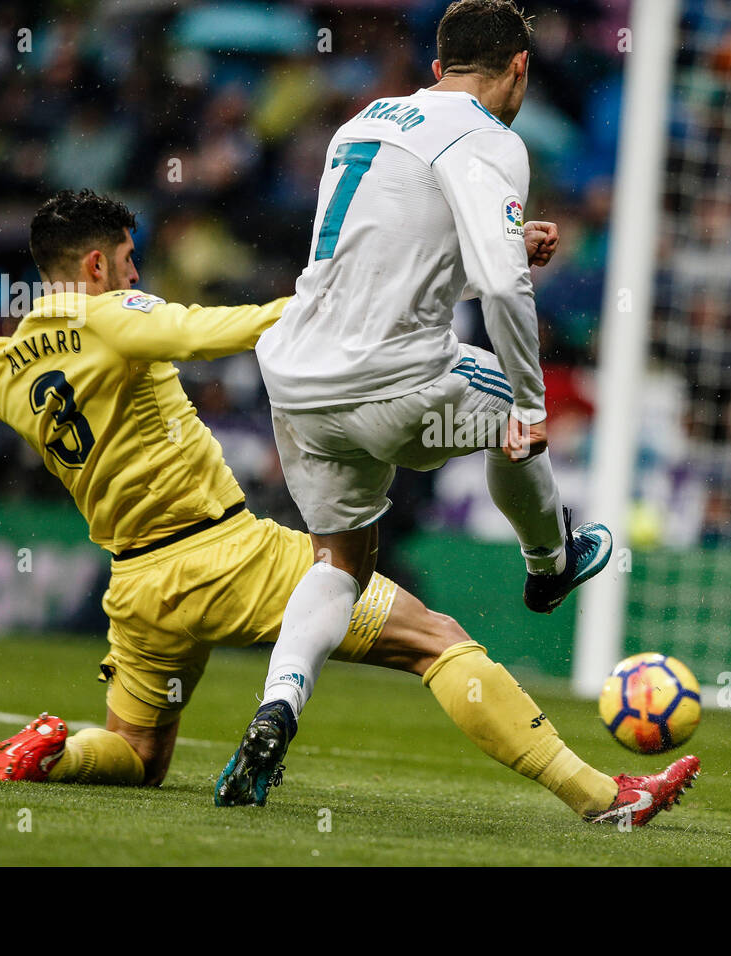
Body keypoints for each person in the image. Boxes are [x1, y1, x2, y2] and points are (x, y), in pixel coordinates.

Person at [0, 188, 698, 825]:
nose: (135, 273)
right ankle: (602, 795)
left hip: (135, 588)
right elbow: (226, 329)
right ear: (92, 267)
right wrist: (365, 306)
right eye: (127, 259)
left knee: (134, 752)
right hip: (225, 556)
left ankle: (49, 752)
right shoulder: (115, 317)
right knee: (437, 642)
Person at [220, 0, 613, 808]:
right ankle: (551, 563)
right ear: (519, 70)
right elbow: (504, 286)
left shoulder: (362, 122)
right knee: (514, 417)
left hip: (298, 381)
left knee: (340, 565)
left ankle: (274, 710)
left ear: (436, 69)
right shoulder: (494, 141)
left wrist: (497, 251)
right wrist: (532, 398)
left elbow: (384, 265)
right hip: (397, 384)